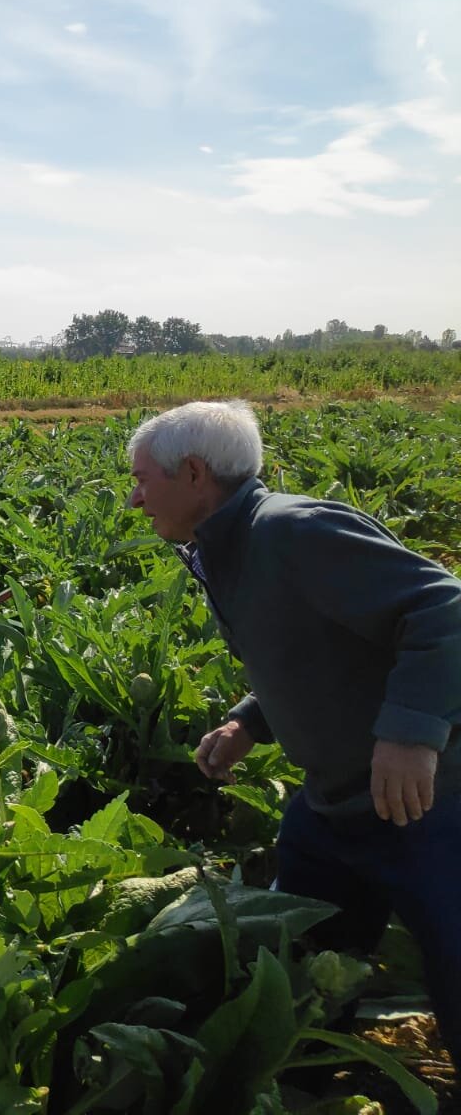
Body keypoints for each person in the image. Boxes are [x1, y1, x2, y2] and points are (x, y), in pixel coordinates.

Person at [128, 399, 461, 1065]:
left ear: (193, 473)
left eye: (142, 479)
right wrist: (250, 722)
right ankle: (302, 1070)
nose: (135, 500)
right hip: (333, 804)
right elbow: (311, 647)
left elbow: (443, 609)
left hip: (431, 806)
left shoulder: (293, 530)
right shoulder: (225, 545)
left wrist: (411, 735)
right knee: (303, 960)